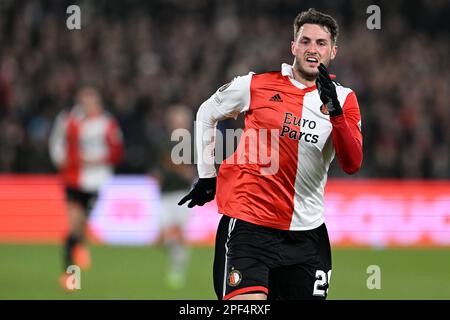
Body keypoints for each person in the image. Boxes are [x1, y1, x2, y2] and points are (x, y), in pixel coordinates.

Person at [178, 8, 363, 300]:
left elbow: (352, 163)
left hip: (306, 236)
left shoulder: (344, 100)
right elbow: (206, 113)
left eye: (321, 43)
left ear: (333, 52)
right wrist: (206, 175)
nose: (312, 49)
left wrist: (336, 114)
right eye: (305, 41)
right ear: (293, 46)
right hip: (250, 227)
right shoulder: (255, 85)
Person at [49, 87, 124, 289]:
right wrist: (59, 159)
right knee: (74, 224)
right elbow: (56, 141)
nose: (88, 105)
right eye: (84, 101)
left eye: (91, 101)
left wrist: (96, 160)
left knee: (81, 225)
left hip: (95, 181)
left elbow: (117, 153)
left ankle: (80, 244)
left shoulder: (107, 123)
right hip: (72, 179)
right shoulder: (67, 119)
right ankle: (70, 276)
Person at [155, 104, 196, 289]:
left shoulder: (194, 143)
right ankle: (179, 256)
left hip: (183, 194)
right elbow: (157, 168)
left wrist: (191, 174)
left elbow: (199, 169)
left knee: (178, 232)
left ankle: (177, 270)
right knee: (162, 238)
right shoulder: (163, 141)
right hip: (165, 194)